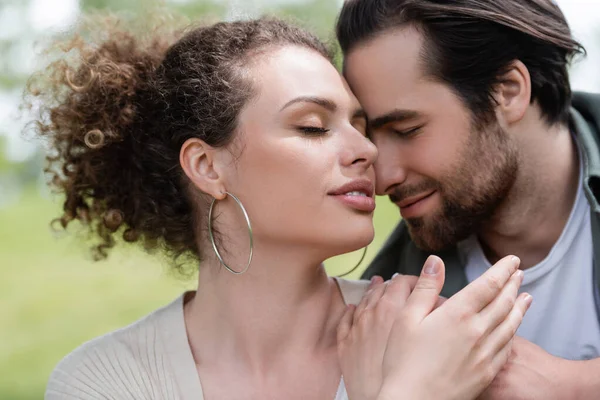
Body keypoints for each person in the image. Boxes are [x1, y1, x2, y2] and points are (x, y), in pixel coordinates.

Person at [29, 14, 529, 400]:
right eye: (312, 126)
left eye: (361, 125)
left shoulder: (428, 329)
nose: (368, 150)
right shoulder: (104, 381)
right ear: (207, 166)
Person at [336, 0, 600, 398]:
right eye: (371, 139)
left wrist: (574, 385)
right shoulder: (387, 297)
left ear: (507, 91)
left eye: (407, 130)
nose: (381, 179)